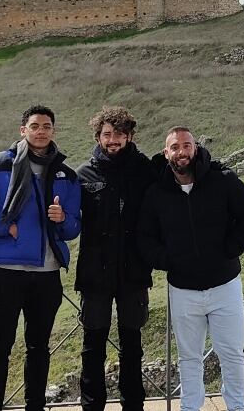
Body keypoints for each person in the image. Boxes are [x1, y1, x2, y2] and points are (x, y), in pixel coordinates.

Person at [0, 105, 82, 411]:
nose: (41, 131)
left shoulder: (67, 175)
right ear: (23, 130)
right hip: (6, 270)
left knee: (39, 347)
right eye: (35, 126)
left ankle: (35, 406)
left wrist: (62, 218)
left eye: (47, 126)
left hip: (47, 272)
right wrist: (7, 227)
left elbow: (73, 228)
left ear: (53, 131)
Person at [137, 127, 244, 411]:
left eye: (187, 145)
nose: (182, 152)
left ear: (195, 148)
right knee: (189, 357)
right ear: (165, 152)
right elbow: (144, 237)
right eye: (175, 147)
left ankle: (237, 408)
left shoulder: (223, 180)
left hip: (225, 284)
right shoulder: (157, 193)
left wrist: (229, 250)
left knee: (231, 354)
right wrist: (168, 260)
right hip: (182, 289)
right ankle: (190, 408)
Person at [73, 107, 158, 411]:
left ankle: (133, 405)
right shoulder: (83, 175)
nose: (113, 140)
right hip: (95, 274)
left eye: (119, 134)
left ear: (129, 136)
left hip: (134, 272)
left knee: (132, 346)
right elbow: (70, 221)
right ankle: (91, 406)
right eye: (107, 134)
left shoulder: (146, 170)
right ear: (98, 136)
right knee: (92, 346)